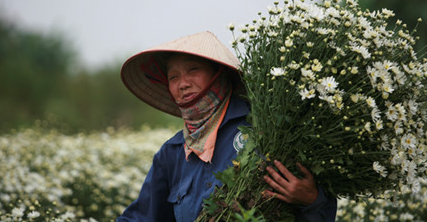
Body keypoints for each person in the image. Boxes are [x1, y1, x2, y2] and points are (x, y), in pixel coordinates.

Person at [117, 31, 337, 222]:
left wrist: (312, 200)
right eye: (173, 77)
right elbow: (143, 216)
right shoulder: (172, 153)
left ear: (219, 74)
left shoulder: (263, 129)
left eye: (193, 70)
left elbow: (317, 209)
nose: (182, 83)